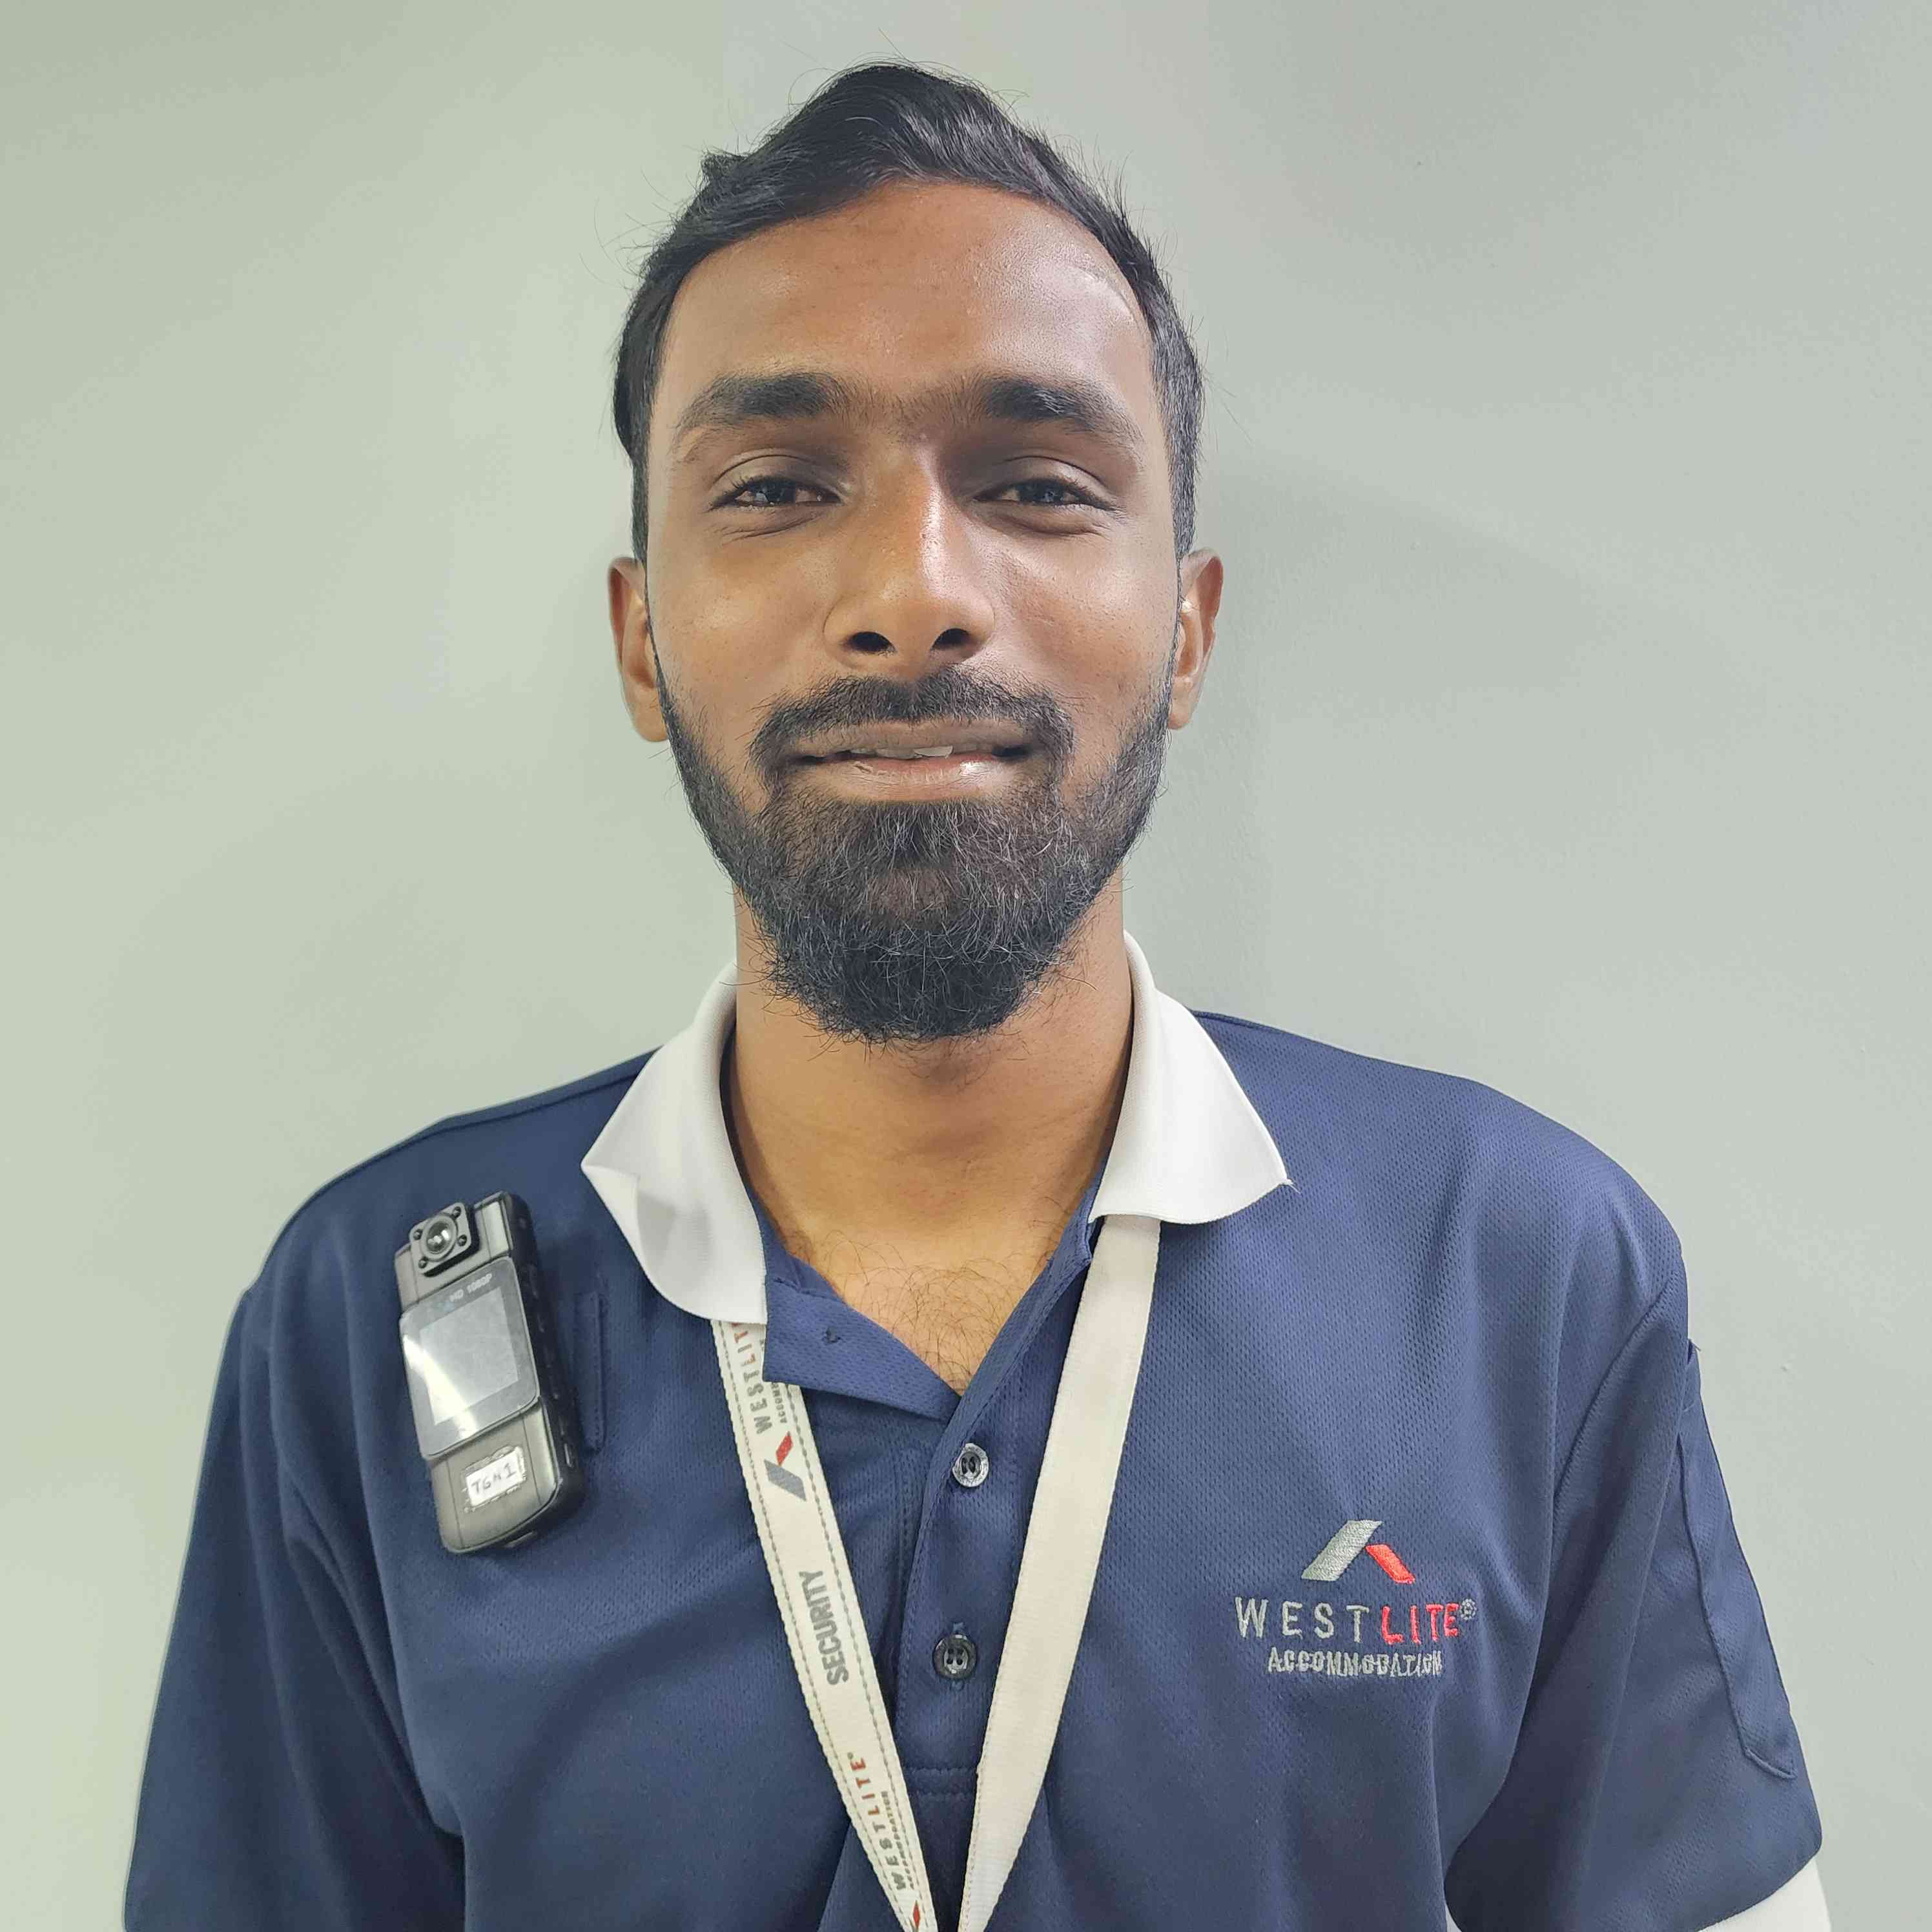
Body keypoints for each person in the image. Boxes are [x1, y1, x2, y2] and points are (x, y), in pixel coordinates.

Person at [125, 59, 1829, 1932]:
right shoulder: (365, 1317)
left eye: (1033, 486)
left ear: (1187, 630)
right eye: (778, 488)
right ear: (642, 639)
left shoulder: (1519, 1276)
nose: (914, 591)